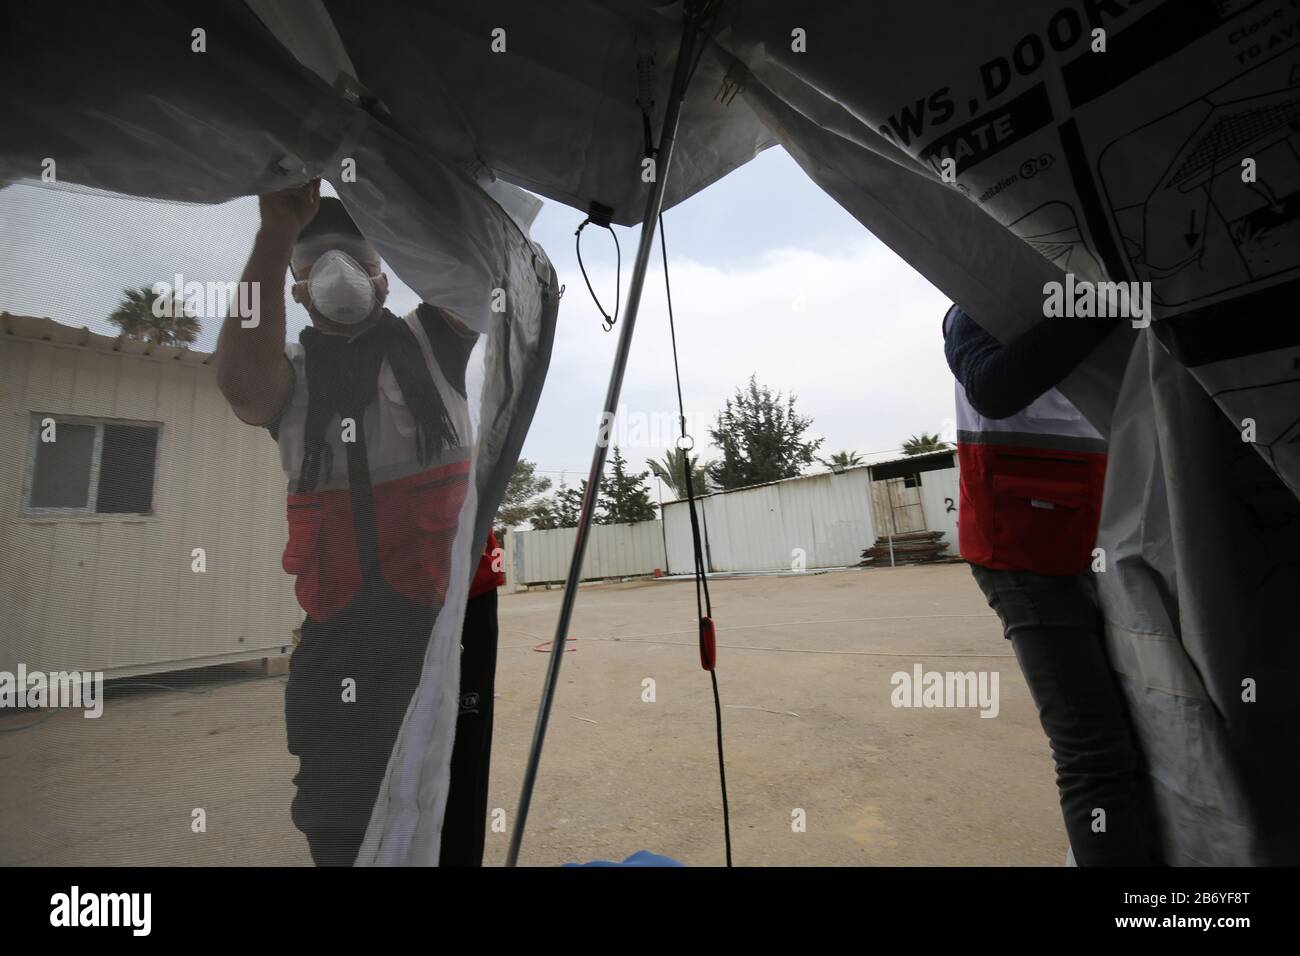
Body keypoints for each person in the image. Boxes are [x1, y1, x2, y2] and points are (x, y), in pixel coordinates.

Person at [215, 180, 503, 866]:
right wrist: (276, 230)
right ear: (295, 291)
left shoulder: (435, 341)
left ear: (383, 273)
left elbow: (475, 274)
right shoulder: (287, 379)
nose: (338, 275)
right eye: (314, 265)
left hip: (445, 624)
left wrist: (388, 185)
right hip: (339, 631)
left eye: (357, 257)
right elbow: (238, 384)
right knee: (340, 808)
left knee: (444, 796)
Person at [943, 304, 1156, 866]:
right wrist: (1111, 301)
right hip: (1020, 547)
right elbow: (994, 387)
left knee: (1149, 724)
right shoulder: (974, 306)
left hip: (1106, 531)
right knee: (1094, 749)